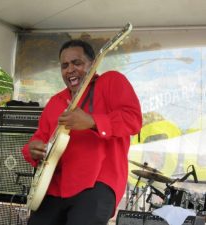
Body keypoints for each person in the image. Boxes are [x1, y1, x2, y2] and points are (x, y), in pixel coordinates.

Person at [22, 39, 142, 225]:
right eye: (64, 66)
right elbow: (39, 139)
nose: (70, 69)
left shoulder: (110, 81)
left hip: (96, 182)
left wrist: (93, 122)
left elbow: (133, 120)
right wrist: (32, 149)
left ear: (93, 64)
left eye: (77, 63)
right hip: (53, 187)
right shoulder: (56, 101)